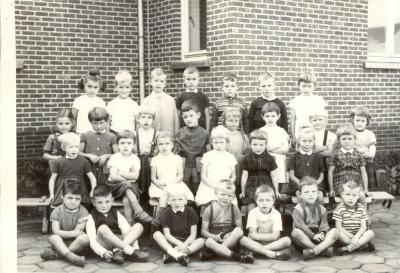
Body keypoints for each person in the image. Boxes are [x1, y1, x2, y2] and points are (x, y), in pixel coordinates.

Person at [86, 185, 149, 264]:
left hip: (120, 241)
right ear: (93, 202)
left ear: (112, 200)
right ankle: (129, 251)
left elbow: (126, 230)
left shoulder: (116, 213)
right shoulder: (91, 216)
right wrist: (103, 252)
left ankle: (119, 251)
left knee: (138, 226)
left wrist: (136, 247)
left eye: (107, 201)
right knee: (102, 228)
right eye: (99, 202)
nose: (104, 205)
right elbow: (92, 241)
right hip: (105, 243)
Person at [200, 181, 254, 263]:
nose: (225, 198)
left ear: (233, 197)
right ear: (216, 194)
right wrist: (213, 236)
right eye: (222, 194)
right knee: (208, 241)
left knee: (239, 232)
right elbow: (203, 231)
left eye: (229, 195)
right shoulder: (209, 210)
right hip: (215, 240)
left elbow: (240, 229)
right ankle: (238, 257)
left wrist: (229, 234)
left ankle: (214, 253)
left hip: (230, 240)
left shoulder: (235, 209)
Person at [107, 130, 153, 225]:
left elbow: (135, 176)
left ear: (133, 145)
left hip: (132, 186)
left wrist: (120, 172)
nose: (125, 145)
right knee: (126, 184)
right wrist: (128, 176)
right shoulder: (114, 158)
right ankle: (139, 211)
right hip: (114, 187)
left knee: (127, 200)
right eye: (122, 143)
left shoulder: (135, 159)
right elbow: (113, 177)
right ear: (118, 145)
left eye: (129, 143)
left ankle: (129, 227)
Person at [40, 179, 89, 267]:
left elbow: (78, 233)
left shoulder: (83, 212)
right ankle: (73, 257)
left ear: (81, 198)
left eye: (77, 199)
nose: (73, 202)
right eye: (70, 198)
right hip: (60, 243)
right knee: (54, 237)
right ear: (62, 196)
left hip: (76, 245)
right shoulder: (56, 211)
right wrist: (72, 233)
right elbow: (56, 231)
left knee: (85, 238)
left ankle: (58, 255)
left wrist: (71, 234)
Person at [152, 186, 205, 266]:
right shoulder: (165, 213)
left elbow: (193, 234)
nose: (177, 202)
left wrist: (184, 245)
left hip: (187, 242)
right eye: (173, 200)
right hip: (172, 241)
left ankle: (172, 254)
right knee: (156, 234)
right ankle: (180, 255)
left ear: (185, 201)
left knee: (201, 241)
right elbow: (167, 235)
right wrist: (180, 244)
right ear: (168, 202)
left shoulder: (191, 212)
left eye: (180, 199)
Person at [150, 131, 194, 223]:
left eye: (167, 143)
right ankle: (158, 222)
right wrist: (159, 185)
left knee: (179, 199)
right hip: (160, 185)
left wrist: (171, 184)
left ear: (172, 144)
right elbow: (153, 178)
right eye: (160, 144)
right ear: (157, 145)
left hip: (175, 183)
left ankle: (179, 223)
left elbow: (180, 176)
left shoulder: (177, 158)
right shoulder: (155, 159)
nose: (164, 146)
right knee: (163, 198)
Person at [291, 177, 339, 260]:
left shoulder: (322, 210)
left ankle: (313, 251)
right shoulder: (297, 209)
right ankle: (321, 250)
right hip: (304, 239)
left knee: (335, 232)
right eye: (306, 192)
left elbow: (324, 225)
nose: (310, 194)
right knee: (295, 232)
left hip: (319, 237)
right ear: (301, 195)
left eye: (313, 192)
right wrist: (313, 236)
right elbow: (301, 226)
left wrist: (322, 233)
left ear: (317, 194)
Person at [240, 185, 291, 260]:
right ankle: (271, 254)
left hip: (272, 244)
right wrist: (261, 237)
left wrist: (257, 236)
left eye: (268, 200)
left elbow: (276, 236)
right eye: (261, 200)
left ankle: (257, 251)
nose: (264, 203)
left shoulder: (276, 214)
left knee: (287, 240)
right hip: (255, 243)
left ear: (273, 201)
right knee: (242, 239)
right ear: (256, 200)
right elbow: (252, 236)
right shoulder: (252, 213)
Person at [48, 132, 96, 208]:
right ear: (63, 148)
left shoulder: (84, 161)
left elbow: (92, 177)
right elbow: (52, 179)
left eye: (76, 147)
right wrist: (51, 194)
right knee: (62, 206)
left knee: (81, 206)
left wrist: (93, 190)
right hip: (63, 188)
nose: (74, 150)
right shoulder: (58, 162)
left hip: (80, 189)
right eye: (71, 147)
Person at [195, 126, 237, 206]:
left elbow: (233, 176)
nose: (218, 145)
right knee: (213, 203)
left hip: (225, 186)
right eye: (216, 143)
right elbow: (203, 176)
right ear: (212, 143)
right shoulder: (207, 156)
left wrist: (226, 185)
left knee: (231, 204)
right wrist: (213, 185)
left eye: (222, 143)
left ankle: (228, 218)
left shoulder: (230, 156)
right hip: (209, 185)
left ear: (227, 143)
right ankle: (211, 217)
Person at [175, 100, 211, 196]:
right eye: (185, 117)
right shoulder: (179, 133)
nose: (188, 119)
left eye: (191, 115)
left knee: (198, 189)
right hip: (184, 167)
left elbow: (209, 154)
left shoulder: (205, 133)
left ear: (198, 115)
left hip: (198, 168)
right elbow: (175, 154)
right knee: (184, 190)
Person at [328, 124, 368, 204]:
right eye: (344, 139)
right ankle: (345, 215)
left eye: (350, 139)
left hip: (356, 183)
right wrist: (331, 189)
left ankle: (363, 215)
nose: (347, 141)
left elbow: (363, 172)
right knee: (346, 196)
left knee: (362, 196)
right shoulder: (335, 154)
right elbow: (330, 172)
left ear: (354, 139)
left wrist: (366, 189)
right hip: (340, 184)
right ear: (339, 140)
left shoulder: (358, 154)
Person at [240, 130, 279, 212]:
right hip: (251, 186)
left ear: (266, 145)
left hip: (266, 184)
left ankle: (270, 223)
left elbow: (274, 176)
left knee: (269, 205)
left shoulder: (270, 159)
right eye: (255, 144)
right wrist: (243, 191)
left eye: (261, 145)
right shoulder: (246, 159)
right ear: (250, 145)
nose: (258, 147)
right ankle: (251, 224)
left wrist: (276, 190)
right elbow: (244, 176)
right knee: (251, 206)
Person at [333, 180, 375, 255]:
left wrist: (356, 237)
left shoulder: (361, 208)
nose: (351, 198)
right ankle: (360, 245)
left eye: (354, 195)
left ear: (358, 196)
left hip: (358, 235)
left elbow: (363, 227)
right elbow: (338, 227)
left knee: (370, 233)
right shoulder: (339, 208)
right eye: (348, 194)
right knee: (336, 233)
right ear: (342, 194)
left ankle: (348, 248)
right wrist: (352, 237)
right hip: (346, 236)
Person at [79, 107, 118, 185]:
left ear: (107, 122)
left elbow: (117, 154)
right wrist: (89, 156)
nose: (99, 126)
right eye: (95, 123)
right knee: (89, 187)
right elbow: (78, 153)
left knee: (104, 188)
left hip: (105, 169)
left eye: (101, 123)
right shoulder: (85, 135)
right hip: (89, 168)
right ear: (90, 122)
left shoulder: (111, 136)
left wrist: (106, 156)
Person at [288, 128, 325, 200]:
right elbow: (291, 175)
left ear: (314, 141)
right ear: (299, 141)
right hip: (299, 183)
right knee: (301, 195)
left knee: (320, 196)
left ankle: (319, 211)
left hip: (315, 183)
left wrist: (317, 182)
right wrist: (300, 182)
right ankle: (303, 211)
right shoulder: (294, 156)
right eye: (304, 141)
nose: (307, 144)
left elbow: (321, 174)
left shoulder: (318, 156)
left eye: (310, 141)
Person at [288, 71, 326, 140]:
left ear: (314, 86)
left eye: (309, 86)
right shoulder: (295, 101)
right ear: (299, 85)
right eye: (303, 86)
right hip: (300, 133)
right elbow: (292, 120)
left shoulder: (319, 100)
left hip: (315, 133)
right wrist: (293, 137)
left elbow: (324, 119)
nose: (306, 89)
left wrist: (324, 137)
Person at [142, 68, 179, 135]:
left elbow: (175, 121)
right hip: (151, 138)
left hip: (168, 138)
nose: (158, 83)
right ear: (150, 82)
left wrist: (176, 136)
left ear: (165, 84)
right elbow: (142, 122)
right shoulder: (146, 101)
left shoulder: (170, 100)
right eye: (156, 80)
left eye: (161, 81)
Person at [259, 102, 290, 185]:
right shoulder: (261, 131)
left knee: (279, 181)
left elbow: (285, 149)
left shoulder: (281, 131)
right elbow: (262, 149)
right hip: (266, 160)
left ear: (278, 116)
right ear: (263, 117)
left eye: (273, 116)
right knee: (267, 182)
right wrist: (277, 146)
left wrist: (270, 149)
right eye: (267, 116)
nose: (270, 119)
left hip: (279, 160)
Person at [135, 105, 158, 206]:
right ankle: (141, 201)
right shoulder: (136, 133)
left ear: (153, 120)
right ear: (138, 119)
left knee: (150, 182)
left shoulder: (156, 134)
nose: (146, 120)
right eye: (143, 117)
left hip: (151, 161)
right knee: (140, 183)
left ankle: (150, 201)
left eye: (149, 118)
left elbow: (157, 149)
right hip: (138, 160)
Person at [175, 66, 210, 131]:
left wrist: (207, 132)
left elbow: (207, 116)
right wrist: (178, 132)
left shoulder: (203, 96)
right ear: (184, 80)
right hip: (185, 132)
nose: (191, 82)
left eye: (194, 79)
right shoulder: (180, 97)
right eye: (188, 79)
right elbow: (177, 117)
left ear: (198, 80)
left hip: (201, 131)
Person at [350, 106, 377, 189]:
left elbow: (371, 154)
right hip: (353, 163)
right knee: (353, 184)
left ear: (367, 122)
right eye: (357, 120)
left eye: (363, 121)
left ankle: (369, 197)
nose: (359, 123)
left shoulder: (370, 134)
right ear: (352, 120)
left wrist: (358, 151)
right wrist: (364, 151)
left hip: (367, 163)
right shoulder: (350, 132)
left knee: (368, 183)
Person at [309, 110, 337, 191]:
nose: (317, 122)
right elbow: (307, 150)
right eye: (314, 120)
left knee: (326, 182)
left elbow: (330, 152)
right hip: (311, 163)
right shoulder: (307, 133)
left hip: (325, 163)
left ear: (326, 120)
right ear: (310, 121)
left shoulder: (331, 135)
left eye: (320, 119)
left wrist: (315, 149)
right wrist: (325, 147)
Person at [72, 69, 106, 134]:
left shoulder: (101, 102)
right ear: (84, 85)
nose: (92, 90)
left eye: (95, 87)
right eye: (89, 86)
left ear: (99, 87)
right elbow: (74, 118)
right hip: (81, 132)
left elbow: (103, 119)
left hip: (95, 133)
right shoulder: (78, 100)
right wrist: (75, 132)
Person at [106, 70, 140, 134]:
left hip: (130, 134)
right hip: (115, 133)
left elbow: (137, 123)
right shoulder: (111, 104)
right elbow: (107, 122)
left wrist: (137, 137)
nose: (124, 90)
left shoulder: (134, 105)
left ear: (131, 88)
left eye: (127, 87)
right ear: (116, 87)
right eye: (121, 87)